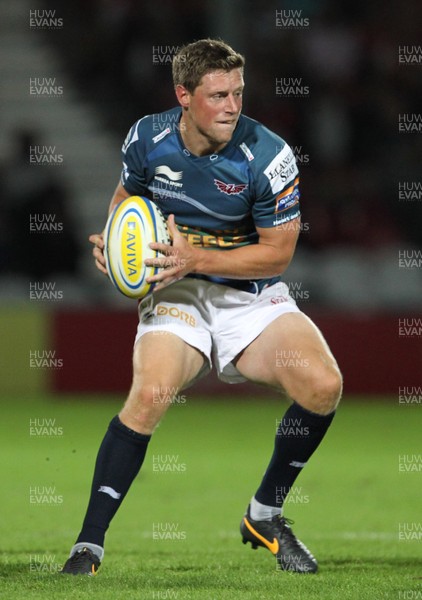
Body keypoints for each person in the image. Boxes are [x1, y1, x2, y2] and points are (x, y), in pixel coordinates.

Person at [61, 38, 342, 576]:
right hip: (176, 289)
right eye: (218, 95)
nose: (233, 106)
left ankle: (265, 514)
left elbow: (277, 255)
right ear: (183, 96)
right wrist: (119, 241)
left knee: (323, 387)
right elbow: (127, 196)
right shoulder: (146, 137)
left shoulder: (270, 155)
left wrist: (199, 256)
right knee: (150, 394)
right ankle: (88, 545)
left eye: (238, 92)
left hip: (247, 294)